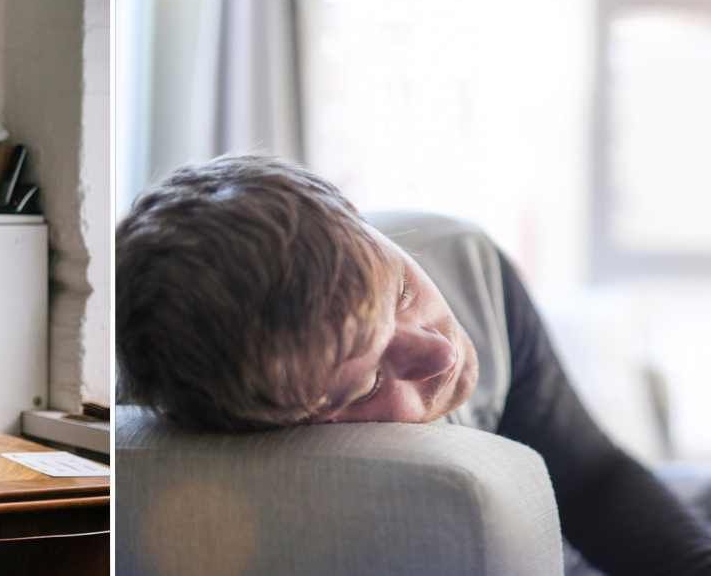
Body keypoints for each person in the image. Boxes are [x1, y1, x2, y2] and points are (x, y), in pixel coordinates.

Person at [116, 155, 711, 574]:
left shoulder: (465, 257)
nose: (443, 351)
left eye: (402, 291)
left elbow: (590, 477)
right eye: (371, 379)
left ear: (355, 215)